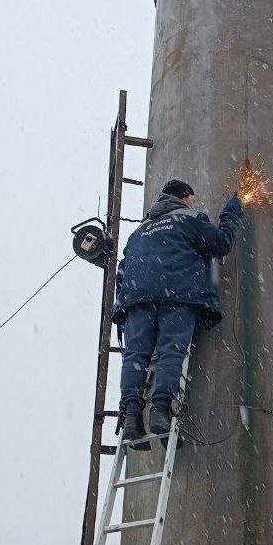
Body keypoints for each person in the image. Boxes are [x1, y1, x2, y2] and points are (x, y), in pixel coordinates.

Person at [113, 179, 243, 443]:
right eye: (193, 197)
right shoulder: (190, 218)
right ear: (184, 196)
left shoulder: (139, 233)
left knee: (136, 356)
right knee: (171, 350)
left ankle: (131, 415)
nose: (195, 202)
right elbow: (221, 244)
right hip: (177, 293)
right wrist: (230, 214)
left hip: (137, 300)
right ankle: (161, 410)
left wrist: (124, 305)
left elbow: (122, 272)